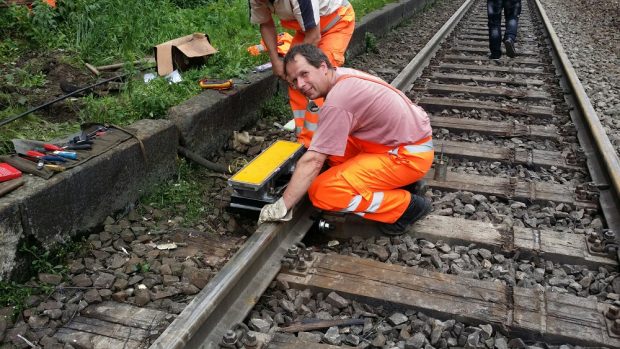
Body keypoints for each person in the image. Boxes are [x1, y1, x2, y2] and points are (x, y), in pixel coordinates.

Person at [258, 44, 434, 236]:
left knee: (322, 192)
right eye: (294, 81)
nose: (300, 84)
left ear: (323, 67)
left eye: (304, 74)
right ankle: (401, 184)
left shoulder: (338, 100)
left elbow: (314, 160)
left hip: (406, 157)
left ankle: (406, 207)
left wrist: (283, 205)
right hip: (400, 143)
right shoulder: (341, 76)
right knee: (334, 157)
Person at [249, 0, 355, 147]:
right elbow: (266, 23)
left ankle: (325, 142)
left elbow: (314, 36)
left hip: (336, 23)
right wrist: (275, 60)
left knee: (317, 80)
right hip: (307, 30)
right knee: (296, 82)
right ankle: (305, 140)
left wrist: (296, 70)